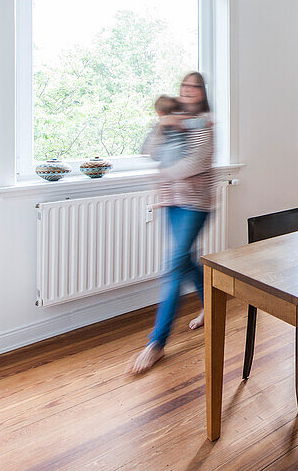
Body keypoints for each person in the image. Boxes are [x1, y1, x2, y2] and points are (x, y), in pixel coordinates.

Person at [129, 72, 215, 375]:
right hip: (173, 202)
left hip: (196, 204)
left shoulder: (205, 122)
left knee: (173, 266)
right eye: (185, 85)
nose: (189, 90)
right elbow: (150, 150)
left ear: (203, 93)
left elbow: (198, 162)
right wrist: (161, 124)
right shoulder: (172, 117)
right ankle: (211, 303)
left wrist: (165, 173)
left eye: (195, 86)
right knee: (185, 261)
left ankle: (157, 342)